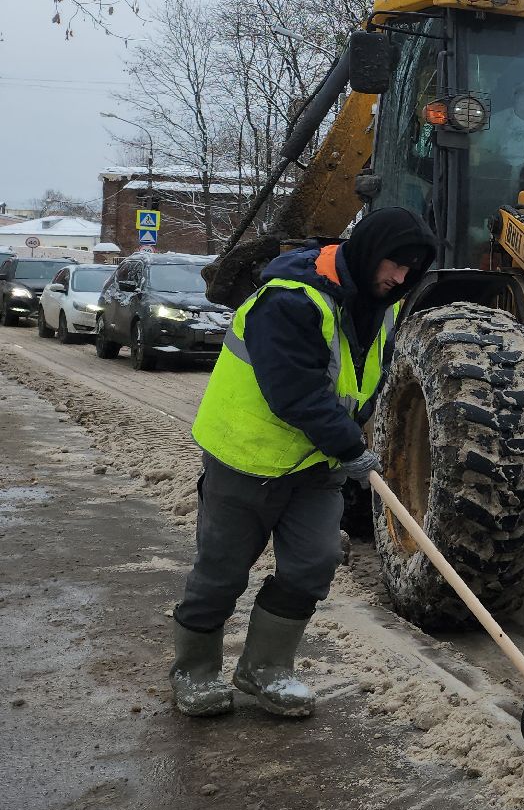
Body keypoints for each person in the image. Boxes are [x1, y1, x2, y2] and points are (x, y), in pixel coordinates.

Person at [170, 207, 436, 718]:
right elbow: (294, 391)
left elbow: (364, 383)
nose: (400, 278)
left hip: (315, 467)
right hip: (246, 458)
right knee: (222, 573)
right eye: (395, 264)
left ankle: (266, 669)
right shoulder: (291, 299)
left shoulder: (377, 306)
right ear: (367, 250)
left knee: (314, 562)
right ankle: (195, 671)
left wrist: (353, 440)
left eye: (411, 270)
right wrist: (351, 447)